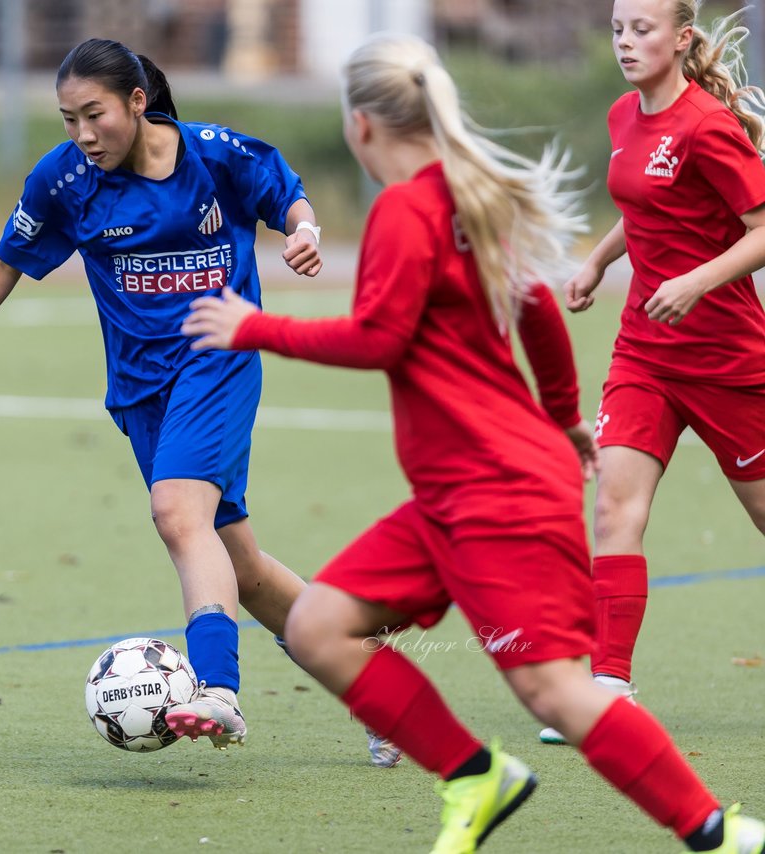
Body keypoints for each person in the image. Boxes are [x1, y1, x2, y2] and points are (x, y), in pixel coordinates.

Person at [181, 31, 765, 854]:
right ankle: (474, 778)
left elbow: (379, 338)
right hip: (454, 496)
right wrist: (562, 415)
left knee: (556, 692)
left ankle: (718, 831)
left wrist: (257, 326)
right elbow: (535, 307)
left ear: (361, 126)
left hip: (496, 494)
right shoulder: (469, 191)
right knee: (316, 626)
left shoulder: (408, 208)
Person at [0, 38, 402, 760]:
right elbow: (8, 260)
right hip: (141, 390)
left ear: (137, 102)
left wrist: (304, 230)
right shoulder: (64, 180)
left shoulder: (213, 154)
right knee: (239, 567)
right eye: (67, 120)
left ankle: (218, 689)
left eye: (95, 115)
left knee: (177, 513)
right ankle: (371, 675)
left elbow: (285, 193)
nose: (83, 135)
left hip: (221, 357)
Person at [537, 0, 765, 747]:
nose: (627, 43)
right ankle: (608, 688)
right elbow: (642, 205)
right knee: (614, 511)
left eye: (643, 29)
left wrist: (697, 281)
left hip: (729, 360)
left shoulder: (708, 126)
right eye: (617, 30)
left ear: (682, 37)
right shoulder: (622, 116)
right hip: (644, 353)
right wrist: (599, 261)